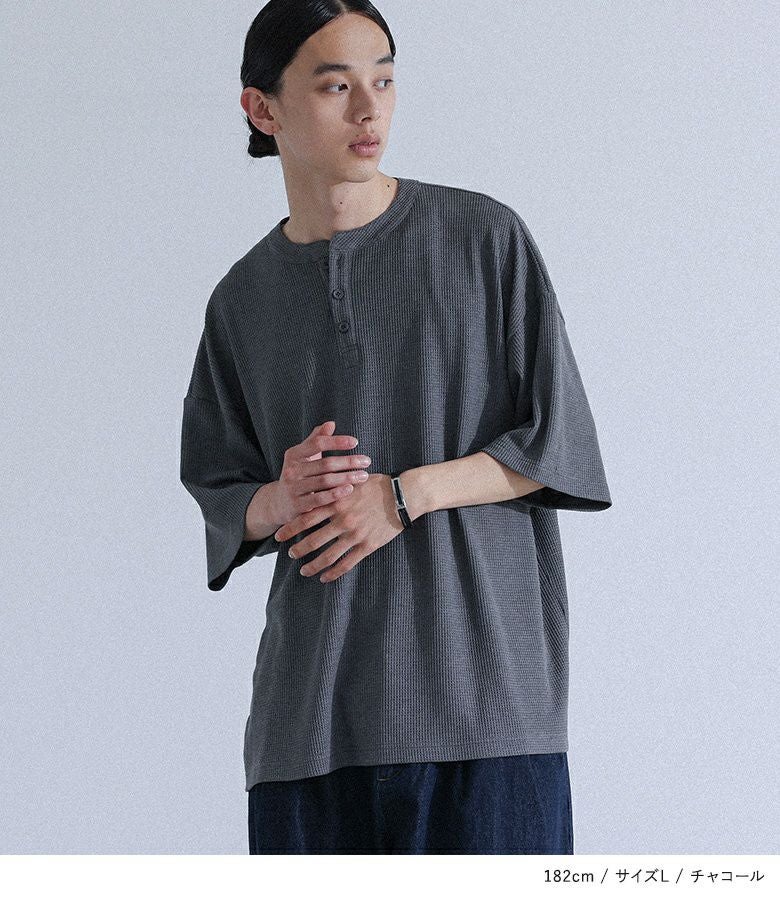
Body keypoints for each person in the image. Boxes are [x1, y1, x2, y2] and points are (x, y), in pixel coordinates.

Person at [180, 0, 612, 854]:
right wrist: (278, 498)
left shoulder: (483, 238)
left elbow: (557, 439)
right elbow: (223, 491)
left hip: (485, 711)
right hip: (309, 728)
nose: (369, 109)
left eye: (382, 80)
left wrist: (404, 496)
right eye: (335, 85)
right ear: (262, 108)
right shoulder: (242, 300)